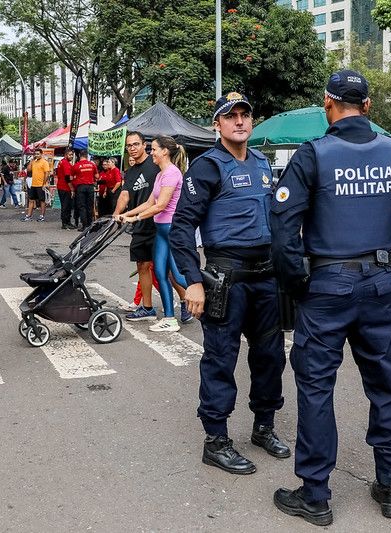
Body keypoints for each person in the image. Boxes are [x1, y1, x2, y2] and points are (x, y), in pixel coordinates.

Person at [270, 71, 391, 525]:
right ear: (368, 107)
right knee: (387, 385)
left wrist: (298, 283)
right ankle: (390, 487)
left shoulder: (312, 154)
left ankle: (316, 495)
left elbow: (282, 228)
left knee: (316, 388)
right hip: (380, 284)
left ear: (327, 104)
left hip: (327, 285)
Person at [169, 92, 290, 476]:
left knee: (270, 355)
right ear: (217, 125)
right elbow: (182, 228)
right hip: (226, 276)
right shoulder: (207, 167)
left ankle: (263, 427)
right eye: (231, 116)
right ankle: (216, 440)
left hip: (266, 277)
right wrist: (193, 283)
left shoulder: (263, 164)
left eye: (244, 115)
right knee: (221, 358)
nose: (239, 121)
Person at [119, 135, 190, 332]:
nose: (152, 153)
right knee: (160, 272)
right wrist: (126, 214)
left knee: (178, 274)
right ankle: (170, 318)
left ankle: (208, 294)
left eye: (155, 149)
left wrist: (136, 218)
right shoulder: (160, 174)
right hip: (161, 230)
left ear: (165, 151)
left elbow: (161, 206)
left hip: (171, 229)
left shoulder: (172, 174)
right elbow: (149, 203)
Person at [114, 132, 161, 319]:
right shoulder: (131, 171)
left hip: (159, 223)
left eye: (135, 144)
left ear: (144, 145)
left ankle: (184, 301)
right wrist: (117, 214)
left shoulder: (156, 165)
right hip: (139, 224)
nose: (132, 148)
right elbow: (125, 194)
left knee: (166, 269)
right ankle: (147, 308)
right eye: (129, 146)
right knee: (142, 265)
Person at [71, 150, 99, 231]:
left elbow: (71, 178)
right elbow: (97, 176)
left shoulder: (76, 165)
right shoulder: (92, 165)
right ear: (87, 156)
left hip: (80, 187)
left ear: (80, 155)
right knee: (89, 206)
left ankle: (84, 225)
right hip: (90, 187)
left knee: (82, 206)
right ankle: (90, 225)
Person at [23, 148, 50, 222]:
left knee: (42, 200)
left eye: (38, 154)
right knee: (31, 200)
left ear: (41, 154)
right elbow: (28, 170)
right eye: (35, 154)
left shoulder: (44, 162)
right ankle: (29, 216)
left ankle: (42, 216)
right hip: (33, 184)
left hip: (40, 184)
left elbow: (47, 173)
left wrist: (44, 183)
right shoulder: (33, 162)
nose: (36, 155)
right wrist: (31, 161)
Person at [55, 148, 76, 229]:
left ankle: (67, 222)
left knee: (66, 206)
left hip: (62, 186)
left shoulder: (62, 162)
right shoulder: (65, 163)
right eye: (70, 155)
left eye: (72, 155)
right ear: (65, 154)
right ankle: (65, 223)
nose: (71, 156)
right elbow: (67, 177)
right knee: (66, 206)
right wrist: (72, 189)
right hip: (65, 187)